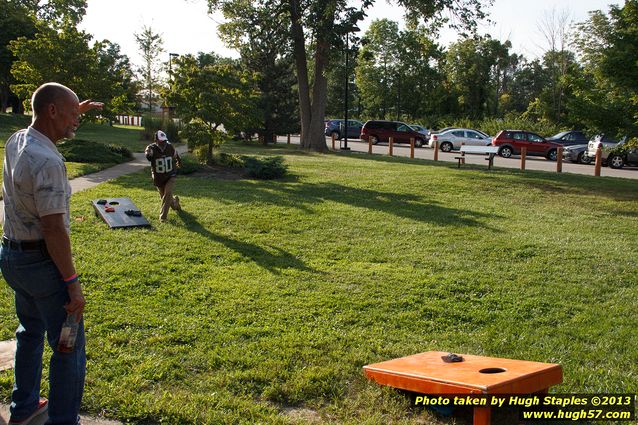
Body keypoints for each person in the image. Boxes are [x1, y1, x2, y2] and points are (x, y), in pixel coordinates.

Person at [0, 82, 102, 425]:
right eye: (72, 115)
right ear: (52, 111)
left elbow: (52, 115)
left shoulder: (18, 140)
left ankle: (24, 407)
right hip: (44, 267)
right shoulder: (48, 163)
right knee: (68, 346)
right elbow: (54, 229)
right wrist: (72, 283)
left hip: (13, 259)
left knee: (29, 331)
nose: (77, 121)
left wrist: (76, 109)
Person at [145, 130, 182, 222]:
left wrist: (179, 162)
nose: (163, 143)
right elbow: (148, 156)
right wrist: (148, 154)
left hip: (170, 175)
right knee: (166, 198)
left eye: (164, 140)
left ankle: (163, 218)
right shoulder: (151, 148)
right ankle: (175, 203)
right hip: (159, 177)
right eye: (161, 141)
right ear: (156, 140)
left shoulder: (169, 147)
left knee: (167, 193)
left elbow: (176, 155)